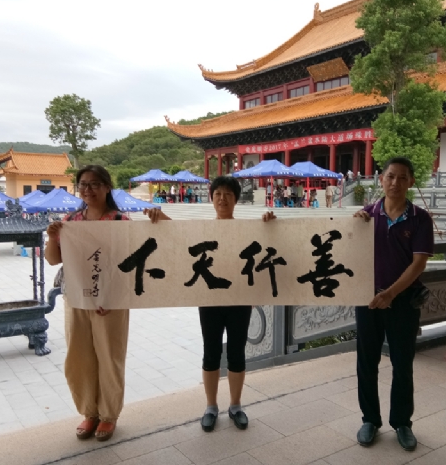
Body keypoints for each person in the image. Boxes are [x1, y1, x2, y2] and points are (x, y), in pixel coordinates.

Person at [145, 176, 276, 432]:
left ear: (236, 200)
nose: (222, 199)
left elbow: (267, 248)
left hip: (239, 301)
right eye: (218, 194)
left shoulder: (247, 230)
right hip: (210, 301)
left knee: (237, 353)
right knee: (211, 352)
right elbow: (180, 235)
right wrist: (160, 217)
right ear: (211, 198)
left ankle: (236, 406)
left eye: (228, 194)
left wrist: (270, 225)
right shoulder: (203, 230)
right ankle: (211, 407)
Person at [352, 157, 433, 452]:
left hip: (402, 302)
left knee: (402, 364)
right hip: (368, 300)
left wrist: (391, 293)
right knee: (366, 362)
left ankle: (402, 423)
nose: (395, 183)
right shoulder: (366, 216)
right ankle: (370, 420)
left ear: (411, 181)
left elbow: (418, 264)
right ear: (381, 179)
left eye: (401, 177)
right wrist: (354, 226)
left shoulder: (420, 219)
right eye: (390, 176)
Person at [45, 165, 130, 442]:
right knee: (78, 357)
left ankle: (108, 415)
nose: (87, 189)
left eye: (94, 184)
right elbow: (53, 259)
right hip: (77, 299)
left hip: (111, 301)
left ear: (107, 187)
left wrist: (111, 295)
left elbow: (127, 264)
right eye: (83, 184)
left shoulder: (120, 221)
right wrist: (52, 237)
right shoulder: (70, 221)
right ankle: (89, 412)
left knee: (109, 357)